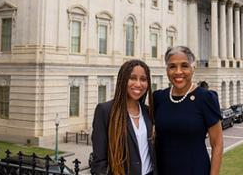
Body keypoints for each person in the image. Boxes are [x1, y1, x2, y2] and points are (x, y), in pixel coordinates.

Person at [153, 46, 224, 175]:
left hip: (196, 169)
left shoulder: (206, 98)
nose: (178, 72)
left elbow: (217, 144)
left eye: (184, 66)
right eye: (172, 66)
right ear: (167, 70)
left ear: (193, 68)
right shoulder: (158, 98)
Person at [91, 60, 156, 175]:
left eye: (143, 79)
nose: (138, 84)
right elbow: (99, 161)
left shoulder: (148, 112)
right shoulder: (105, 111)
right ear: (122, 80)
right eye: (132, 78)